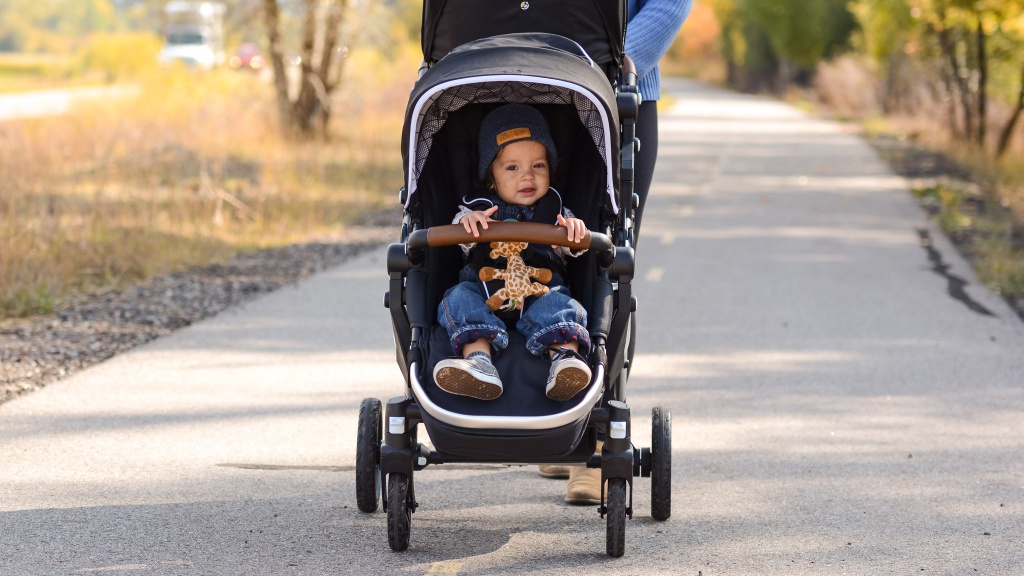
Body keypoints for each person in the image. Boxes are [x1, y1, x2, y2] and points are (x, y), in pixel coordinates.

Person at [540, 0, 693, 505]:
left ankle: (596, 440)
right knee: (534, 251)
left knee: (605, 257)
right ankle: (550, 414)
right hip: (527, 78)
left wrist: (615, 57)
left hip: (619, 89)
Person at [433, 103, 593, 403]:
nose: (527, 177)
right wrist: (467, 224)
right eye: (512, 167)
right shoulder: (478, 209)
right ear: (491, 177)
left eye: (539, 166)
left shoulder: (557, 209)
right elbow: (459, 237)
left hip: (539, 291)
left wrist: (573, 232)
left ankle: (565, 361)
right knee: (456, 299)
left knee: (561, 304)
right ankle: (479, 361)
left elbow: (578, 250)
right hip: (483, 290)